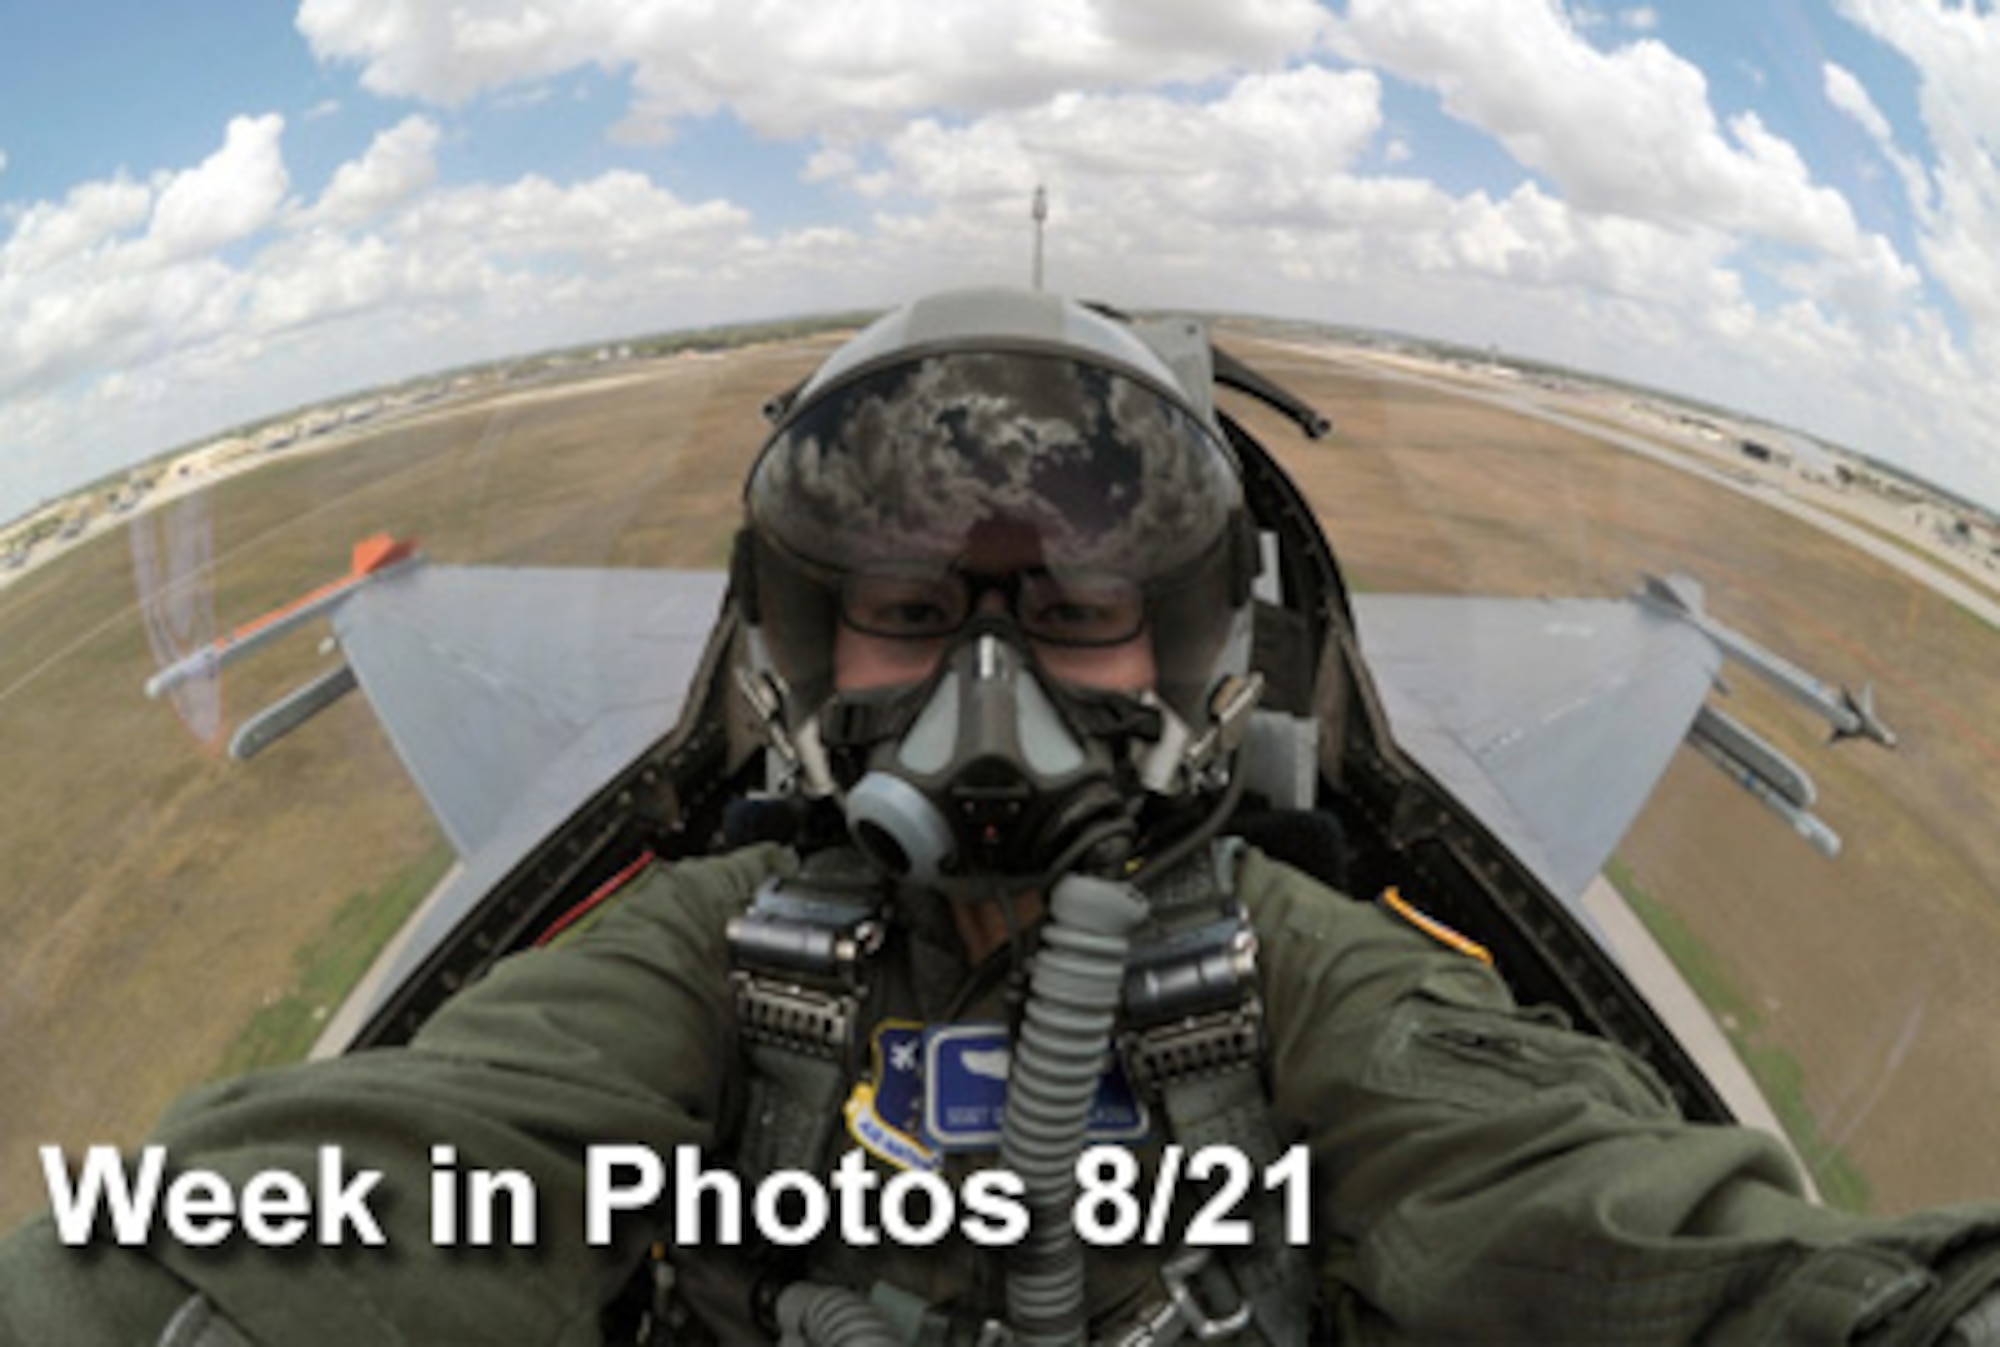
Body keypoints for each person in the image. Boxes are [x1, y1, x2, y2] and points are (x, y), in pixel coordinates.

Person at [6, 287, 2000, 1345]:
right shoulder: (701, 949)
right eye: (902, 610)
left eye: (1074, 614)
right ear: (810, 646)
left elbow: (1603, 1208)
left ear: (1192, 651)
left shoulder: (1284, 962)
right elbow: (362, 1183)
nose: (989, 690)